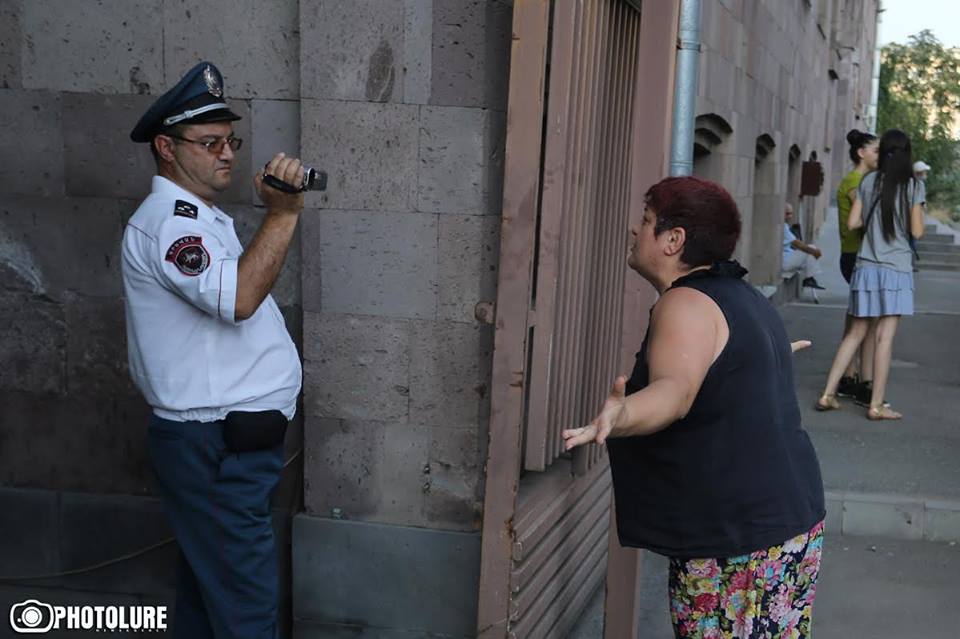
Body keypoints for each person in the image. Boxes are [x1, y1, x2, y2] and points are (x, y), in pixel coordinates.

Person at [564, 176, 825, 638]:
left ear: (673, 239)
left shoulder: (685, 302)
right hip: (785, 524)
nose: (635, 231)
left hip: (739, 543)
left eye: (645, 221)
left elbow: (675, 391)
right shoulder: (743, 297)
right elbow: (714, 372)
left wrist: (622, 414)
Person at [122, 62, 306, 638]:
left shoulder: (199, 219)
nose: (227, 154)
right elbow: (241, 298)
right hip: (213, 445)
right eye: (209, 143)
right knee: (244, 603)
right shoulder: (173, 226)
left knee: (211, 594)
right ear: (166, 148)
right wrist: (283, 213)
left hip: (226, 441)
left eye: (231, 141)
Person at [817, 129, 925, 420]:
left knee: (855, 333)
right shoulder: (913, 187)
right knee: (884, 338)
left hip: (866, 266)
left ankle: (828, 393)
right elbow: (917, 231)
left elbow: (853, 222)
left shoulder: (867, 182)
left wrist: (874, 223)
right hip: (896, 269)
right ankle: (876, 405)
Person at [835, 129, 879, 403]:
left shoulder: (860, 178)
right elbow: (863, 216)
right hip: (857, 255)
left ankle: (848, 376)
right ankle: (862, 380)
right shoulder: (856, 180)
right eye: (876, 150)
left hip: (851, 254)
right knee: (867, 321)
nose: (880, 156)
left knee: (856, 317)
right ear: (861, 153)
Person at [781, 203, 825, 291]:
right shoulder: (782, 226)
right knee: (811, 249)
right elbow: (797, 244)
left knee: (811, 251)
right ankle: (809, 278)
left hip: (788, 257)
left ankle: (809, 277)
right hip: (784, 261)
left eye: (791, 213)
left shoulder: (785, 225)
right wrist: (814, 252)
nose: (790, 216)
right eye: (787, 214)